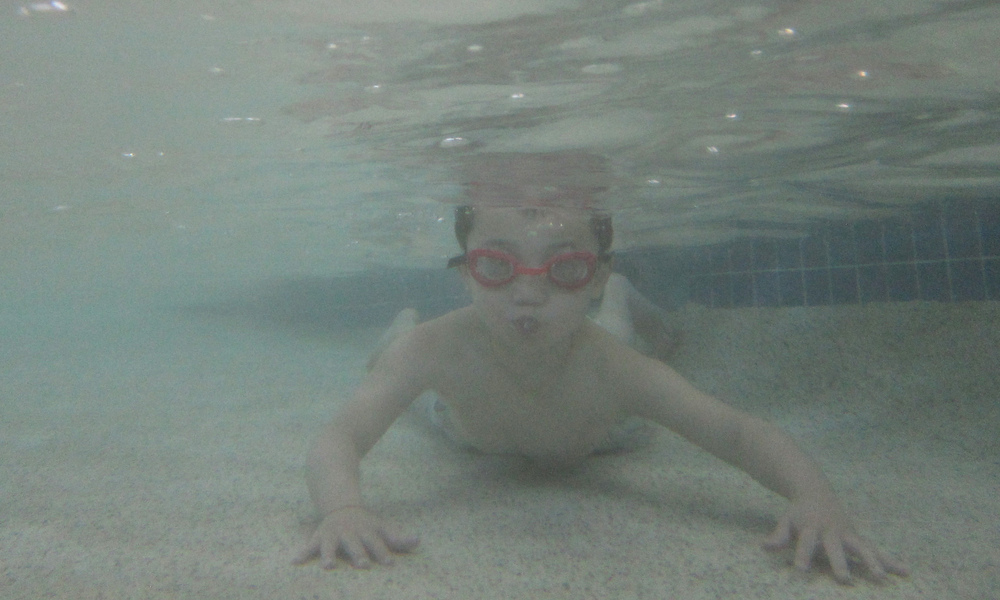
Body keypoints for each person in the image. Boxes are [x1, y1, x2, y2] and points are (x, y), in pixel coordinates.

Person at [292, 154, 908, 584]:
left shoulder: (619, 372)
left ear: (593, 276)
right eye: (498, 268)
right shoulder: (432, 350)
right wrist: (343, 509)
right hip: (461, 430)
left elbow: (738, 432)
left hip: (605, 431)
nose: (528, 295)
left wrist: (814, 498)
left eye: (564, 271)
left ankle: (628, 300)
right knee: (395, 360)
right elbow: (338, 439)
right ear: (466, 275)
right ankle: (397, 323)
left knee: (617, 334)